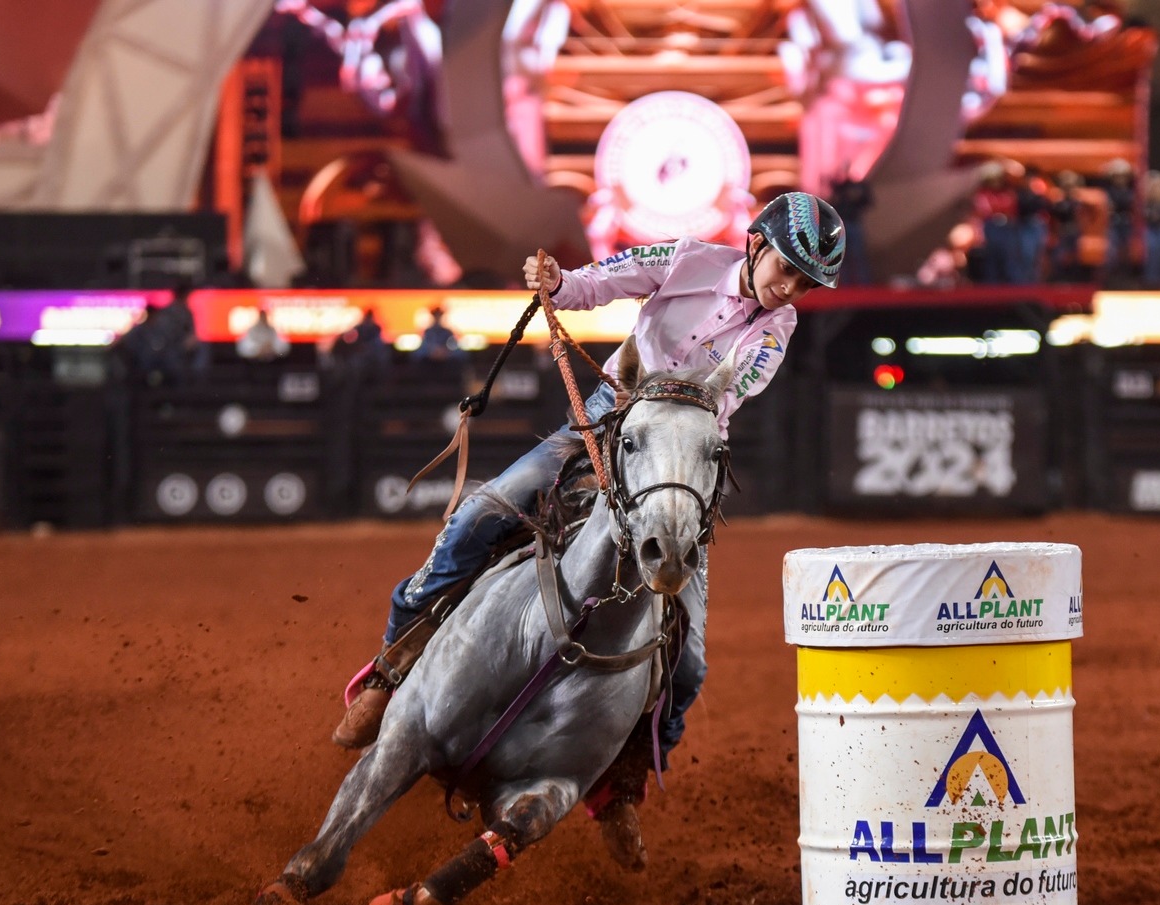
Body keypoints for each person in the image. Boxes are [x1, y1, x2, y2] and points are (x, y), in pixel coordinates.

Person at [331, 191, 846, 864]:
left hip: (678, 456)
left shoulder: (779, 329)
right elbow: (606, 279)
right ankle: (390, 669)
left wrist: (663, 413)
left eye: (806, 283)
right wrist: (560, 285)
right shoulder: (688, 259)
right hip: (606, 421)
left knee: (687, 664)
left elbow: (728, 388)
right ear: (755, 245)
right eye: (789, 269)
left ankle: (620, 786)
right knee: (480, 515)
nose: (791, 288)